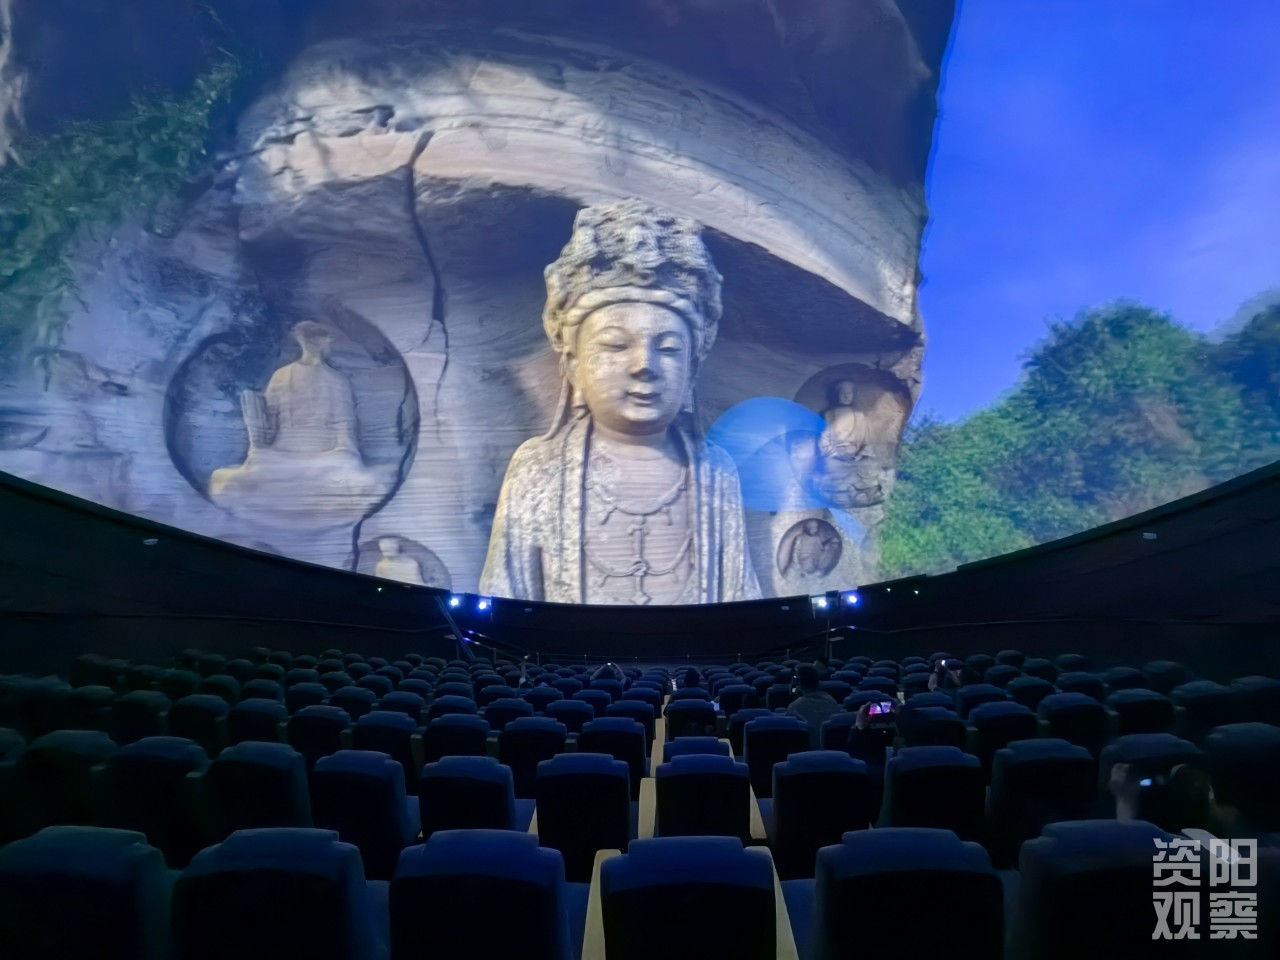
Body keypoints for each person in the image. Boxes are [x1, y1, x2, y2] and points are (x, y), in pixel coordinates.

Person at [480, 199, 761, 605]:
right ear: (573, 364)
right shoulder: (537, 470)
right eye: (615, 345)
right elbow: (503, 600)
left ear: (692, 369)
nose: (644, 366)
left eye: (668, 348)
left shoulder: (715, 471)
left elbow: (740, 601)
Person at [785, 664, 843, 750]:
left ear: (798, 684)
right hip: (835, 751)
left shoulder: (793, 707)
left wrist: (794, 692)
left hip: (809, 752)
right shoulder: (831, 700)